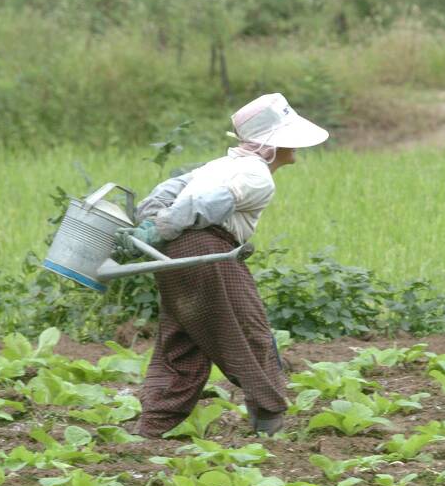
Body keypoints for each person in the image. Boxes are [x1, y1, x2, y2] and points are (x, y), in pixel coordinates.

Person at [114, 92, 329, 439]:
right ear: (271, 146)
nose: (297, 149)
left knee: (184, 337)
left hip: (172, 259)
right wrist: (162, 227)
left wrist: (153, 224)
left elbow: (165, 191)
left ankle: (152, 426)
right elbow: (210, 203)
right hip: (208, 251)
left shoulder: (219, 165)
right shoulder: (259, 175)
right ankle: (269, 421)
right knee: (249, 330)